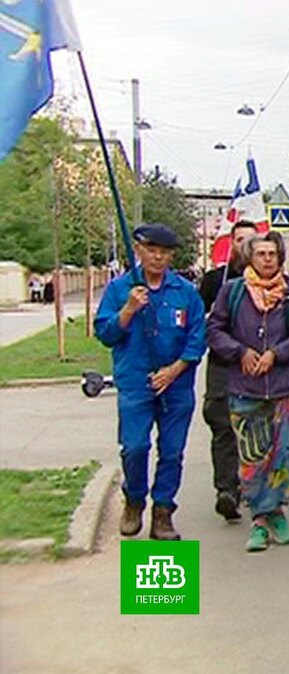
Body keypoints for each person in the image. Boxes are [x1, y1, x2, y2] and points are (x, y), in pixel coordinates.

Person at [94, 224, 207, 540]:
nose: (157, 257)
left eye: (164, 252)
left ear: (171, 255)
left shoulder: (185, 293)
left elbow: (198, 337)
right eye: (151, 250)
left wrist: (176, 368)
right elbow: (104, 333)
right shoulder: (120, 289)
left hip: (176, 385)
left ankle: (163, 511)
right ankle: (134, 498)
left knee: (172, 452)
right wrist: (128, 310)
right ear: (139, 251)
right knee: (135, 446)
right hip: (136, 382)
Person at [206, 231, 289, 552]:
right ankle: (259, 518)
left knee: (283, 455)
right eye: (261, 254)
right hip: (244, 387)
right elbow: (214, 329)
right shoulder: (233, 292)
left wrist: (276, 354)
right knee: (254, 458)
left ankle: (276, 512)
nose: (267, 259)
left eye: (272, 254)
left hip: (282, 388)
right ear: (249, 258)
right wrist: (239, 351)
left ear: (280, 258)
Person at [198, 219, 260, 523]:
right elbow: (200, 323)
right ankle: (227, 490)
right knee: (223, 426)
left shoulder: (269, 281)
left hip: (258, 367)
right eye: (240, 240)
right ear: (231, 243)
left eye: (252, 240)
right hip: (223, 365)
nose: (245, 247)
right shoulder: (214, 280)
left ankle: (255, 487)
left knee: (255, 428)